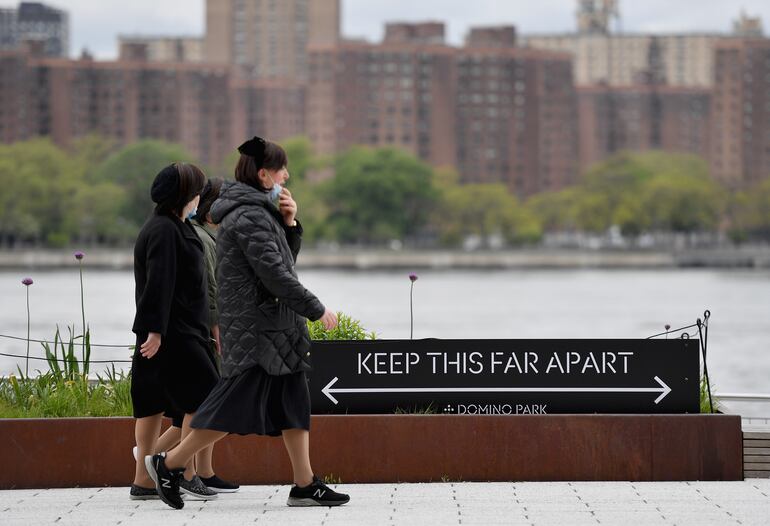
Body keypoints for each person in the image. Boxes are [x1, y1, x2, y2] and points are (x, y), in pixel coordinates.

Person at [145, 137, 350, 509]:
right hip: (258, 333)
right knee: (230, 410)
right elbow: (275, 275)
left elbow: (282, 261)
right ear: (264, 174)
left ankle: (304, 484)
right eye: (282, 168)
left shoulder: (259, 212)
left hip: (274, 329)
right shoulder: (247, 216)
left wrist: (290, 223)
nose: (287, 174)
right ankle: (169, 463)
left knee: (294, 405)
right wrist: (316, 308)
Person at [130, 163, 220, 501]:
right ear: (185, 195)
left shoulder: (174, 226)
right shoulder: (165, 230)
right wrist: (154, 330)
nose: (200, 197)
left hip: (173, 331)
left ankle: (144, 479)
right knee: (208, 397)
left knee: (153, 404)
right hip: (173, 334)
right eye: (196, 191)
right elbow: (159, 282)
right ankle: (180, 468)